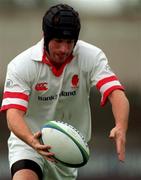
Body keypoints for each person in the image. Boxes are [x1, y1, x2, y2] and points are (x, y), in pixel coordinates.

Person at [1, 3, 129, 180]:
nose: (64, 49)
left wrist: (121, 126)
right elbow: (13, 115)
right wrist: (32, 141)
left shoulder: (91, 56)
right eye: (58, 41)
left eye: (69, 42)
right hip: (29, 143)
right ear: (45, 37)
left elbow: (116, 93)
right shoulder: (21, 65)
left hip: (67, 149)